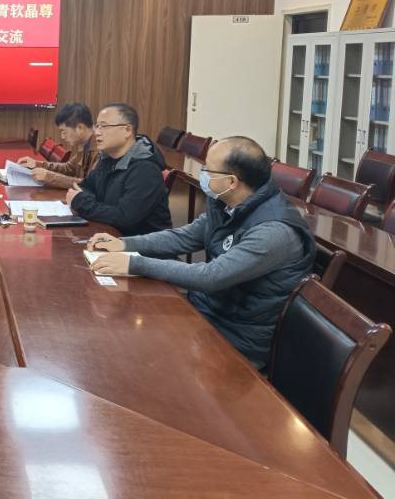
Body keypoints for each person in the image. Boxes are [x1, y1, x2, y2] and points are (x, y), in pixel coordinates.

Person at [88, 136, 315, 368]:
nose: (202, 174)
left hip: (238, 338)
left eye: (208, 169)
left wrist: (134, 264)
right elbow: (184, 237)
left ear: (232, 181)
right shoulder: (228, 203)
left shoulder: (273, 232)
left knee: (141, 355)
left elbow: (211, 276)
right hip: (210, 311)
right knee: (128, 334)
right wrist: (126, 244)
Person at [65, 102, 171, 235]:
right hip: (108, 234)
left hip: (139, 244)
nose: (97, 132)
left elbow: (124, 218)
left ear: (127, 130)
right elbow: (85, 187)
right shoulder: (108, 158)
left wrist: (81, 202)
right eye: (97, 126)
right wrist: (90, 202)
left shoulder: (146, 170)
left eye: (104, 126)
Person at [18, 102, 99, 188]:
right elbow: (68, 168)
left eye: (64, 131)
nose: (62, 137)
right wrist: (36, 164)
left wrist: (49, 177)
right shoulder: (87, 144)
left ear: (80, 128)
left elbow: (89, 185)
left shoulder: (100, 150)